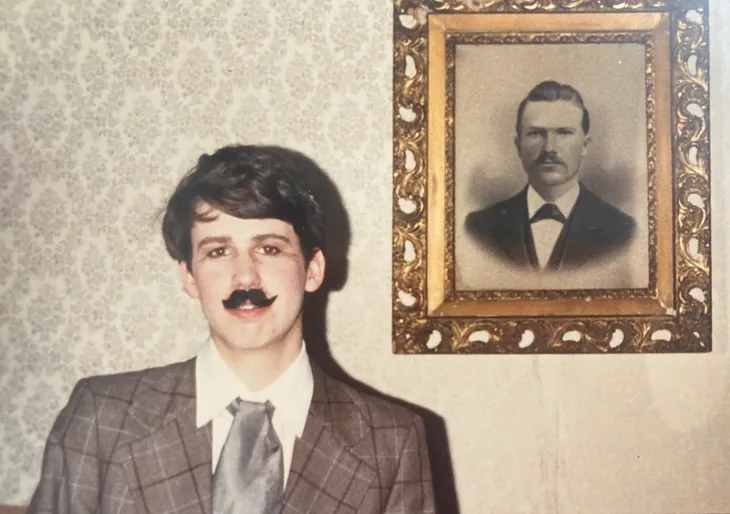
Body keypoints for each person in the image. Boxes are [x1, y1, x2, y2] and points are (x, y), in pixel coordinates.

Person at [28, 145, 435, 514]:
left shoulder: (391, 442)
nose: (245, 278)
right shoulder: (103, 418)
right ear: (189, 277)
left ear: (312, 269)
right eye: (218, 251)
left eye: (269, 249)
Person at [465, 80, 636, 272]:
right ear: (518, 145)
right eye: (536, 133)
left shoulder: (622, 230)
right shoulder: (478, 228)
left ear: (585, 145)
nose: (549, 148)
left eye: (563, 133)